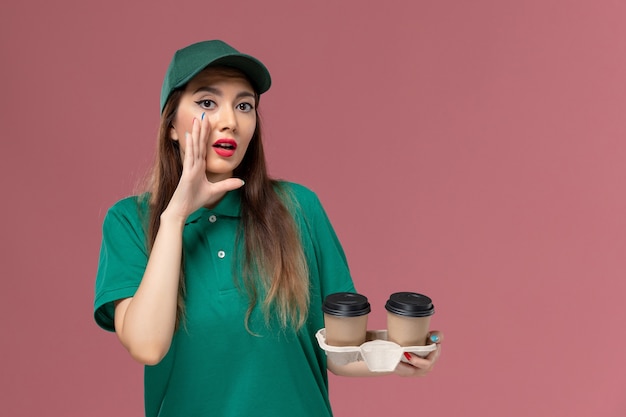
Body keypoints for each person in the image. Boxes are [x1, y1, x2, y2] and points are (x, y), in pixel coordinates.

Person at [94, 39, 443, 417]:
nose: (230, 120)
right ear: (172, 126)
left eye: (244, 105)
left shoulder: (299, 208)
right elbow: (147, 346)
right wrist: (175, 216)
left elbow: (336, 352)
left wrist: (398, 355)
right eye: (207, 103)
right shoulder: (130, 221)